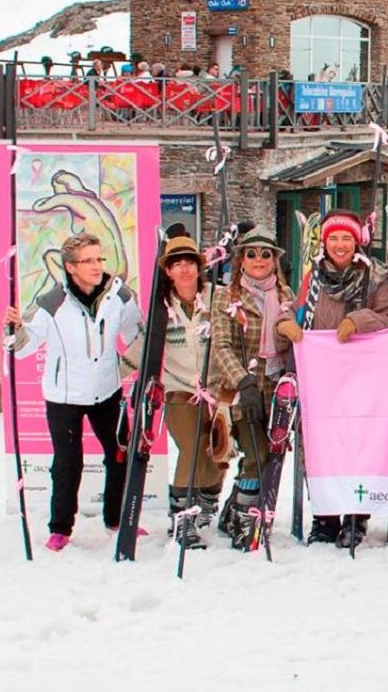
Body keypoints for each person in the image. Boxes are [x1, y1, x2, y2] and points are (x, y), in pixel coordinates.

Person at [3, 232, 142, 552]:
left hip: (106, 389)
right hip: (64, 394)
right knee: (68, 461)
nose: (97, 266)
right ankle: (60, 527)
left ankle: (116, 518)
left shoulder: (119, 295)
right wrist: (16, 330)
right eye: (88, 260)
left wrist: (128, 363)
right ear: (71, 267)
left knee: (119, 453)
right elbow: (25, 347)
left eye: (99, 258)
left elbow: (137, 332)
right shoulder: (53, 302)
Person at [276, 209, 388, 548]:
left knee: (357, 444)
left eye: (346, 237)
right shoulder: (312, 277)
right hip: (322, 380)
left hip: (363, 377)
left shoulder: (373, 276)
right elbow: (295, 308)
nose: (340, 244)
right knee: (321, 447)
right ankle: (325, 516)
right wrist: (285, 321)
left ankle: (355, 516)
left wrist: (359, 320)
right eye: (333, 238)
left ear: (356, 240)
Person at [122, 234, 226, 550]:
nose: (183, 270)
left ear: (198, 267)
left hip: (219, 390)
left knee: (220, 452)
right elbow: (141, 349)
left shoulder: (218, 299)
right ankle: (181, 518)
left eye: (188, 263)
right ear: (168, 271)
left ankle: (208, 502)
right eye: (176, 264)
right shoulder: (161, 308)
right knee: (193, 448)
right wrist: (111, 374)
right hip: (180, 391)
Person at [210, 225, 295, 549]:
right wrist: (243, 383)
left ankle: (235, 508)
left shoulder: (286, 297)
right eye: (251, 254)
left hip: (276, 387)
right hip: (241, 388)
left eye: (265, 254)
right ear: (240, 260)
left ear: (274, 260)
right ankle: (246, 519)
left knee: (269, 457)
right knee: (255, 454)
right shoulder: (226, 296)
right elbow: (222, 346)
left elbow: (292, 343)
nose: (258, 260)